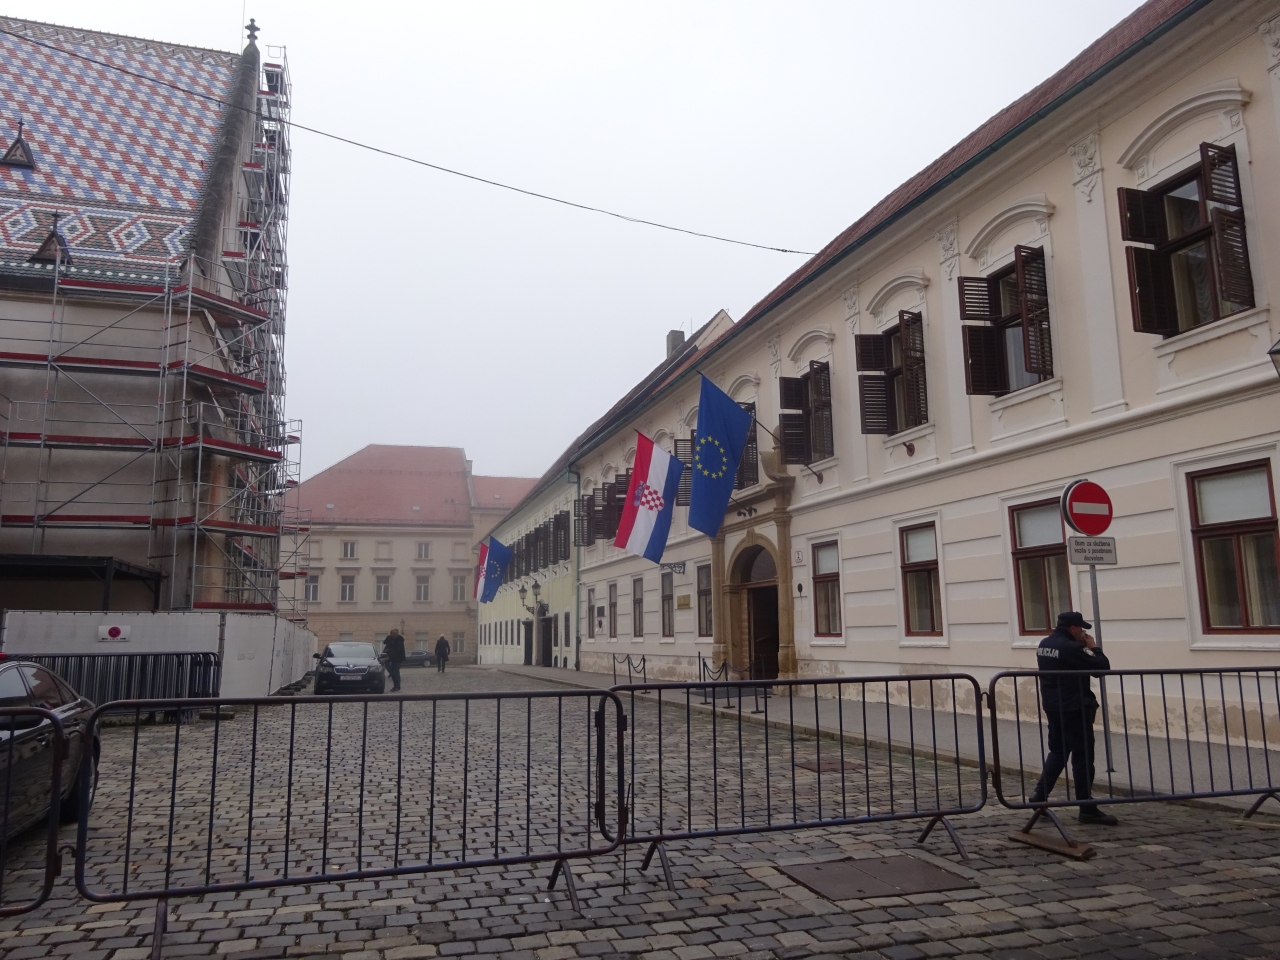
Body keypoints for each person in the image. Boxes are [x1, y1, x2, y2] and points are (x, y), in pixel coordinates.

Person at [1029, 611, 1118, 825]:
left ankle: (1039, 796)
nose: (1083, 633)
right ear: (1072, 628)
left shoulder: (1045, 644)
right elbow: (1101, 668)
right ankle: (1086, 808)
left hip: (1053, 705)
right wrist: (1094, 647)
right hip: (1074, 707)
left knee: (1058, 751)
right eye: (1081, 629)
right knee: (1083, 756)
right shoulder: (1071, 647)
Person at [382, 628, 406, 692]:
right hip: (391, 658)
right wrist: (388, 638)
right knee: (392, 671)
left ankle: (397, 686)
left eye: (395, 633)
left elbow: (398, 650)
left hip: (397, 658)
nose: (393, 635)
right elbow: (384, 642)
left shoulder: (399, 639)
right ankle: (396, 686)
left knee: (395, 672)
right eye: (392, 633)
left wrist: (390, 652)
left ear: (397, 633)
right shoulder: (390, 638)